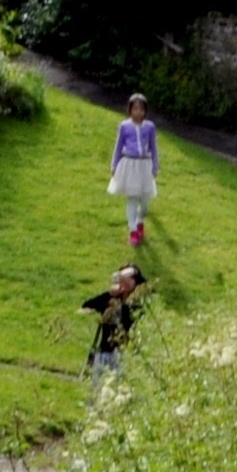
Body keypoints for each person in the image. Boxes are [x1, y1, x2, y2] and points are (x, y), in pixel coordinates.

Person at [106, 94, 161, 250]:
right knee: (132, 199)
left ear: (145, 111)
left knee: (144, 203)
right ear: (130, 110)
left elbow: (153, 148)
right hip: (129, 165)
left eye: (141, 109)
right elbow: (118, 147)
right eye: (135, 109)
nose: (138, 112)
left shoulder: (150, 127)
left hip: (144, 166)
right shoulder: (124, 126)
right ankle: (132, 230)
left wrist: (155, 166)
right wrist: (114, 165)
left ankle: (139, 221)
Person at [81, 263, 147, 385]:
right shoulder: (111, 299)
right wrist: (109, 295)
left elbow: (132, 321)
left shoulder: (138, 303)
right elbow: (86, 305)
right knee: (98, 389)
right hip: (104, 352)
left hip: (124, 354)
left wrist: (125, 303)